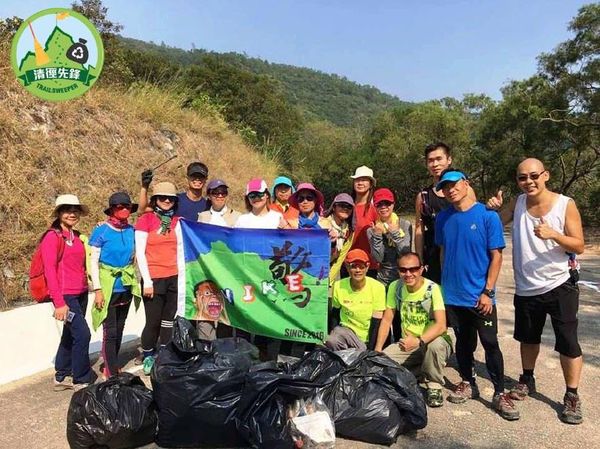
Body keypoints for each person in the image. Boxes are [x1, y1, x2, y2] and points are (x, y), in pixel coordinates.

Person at [486, 158, 585, 424]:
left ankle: (572, 395)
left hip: (559, 284)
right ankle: (526, 378)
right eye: (522, 178)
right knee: (528, 338)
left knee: (568, 341)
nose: (528, 181)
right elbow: (495, 222)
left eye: (533, 176)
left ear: (546, 175)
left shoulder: (565, 204)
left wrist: (554, 234)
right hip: (526, 286)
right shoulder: (518, 203)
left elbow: (578, 245)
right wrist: (490, 208)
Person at [435, 169, 520, 421]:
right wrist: (443, 287)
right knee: (463, 341)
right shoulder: (442, 218)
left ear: (466, 184)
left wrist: (488, 291)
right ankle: (467, 382)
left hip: (479, 295)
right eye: (445, 187)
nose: (450, 190)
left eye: (454, 184)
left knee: (490, 342)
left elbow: (496, 256)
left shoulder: (487, 216)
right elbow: (443, 252)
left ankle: (499, 392)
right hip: (453, 294)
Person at [375, 252, 452, 408]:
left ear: (421, 269)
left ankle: (434, 385)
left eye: (413, 269)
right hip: (408, 343)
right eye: (403, 270)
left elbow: (441, 325)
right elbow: (387, 320)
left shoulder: (433, 289)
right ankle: (421, 370)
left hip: (431, 340)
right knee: (381, 365)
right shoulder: (395, 287)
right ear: (398, 271)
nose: (408, 274)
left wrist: (418, 341)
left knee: (435, 346)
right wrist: (377, 350)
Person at [41, 194, 92, 391]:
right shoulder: (52, 237)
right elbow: (50, 271)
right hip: (65, 296)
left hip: (80, 293)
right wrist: (59, 302)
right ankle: (80, 378)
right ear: (59, 213)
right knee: (83, 334)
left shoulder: (77, 237)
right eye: (67, 210)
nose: (71, 214)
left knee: (70, 334)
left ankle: (61, 375)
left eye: (75, 210)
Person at [89, 192, 141, 379]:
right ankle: (110, 372)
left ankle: (112, 364)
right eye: (119, 207)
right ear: (112, 209)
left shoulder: (131, 230)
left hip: (125, 285)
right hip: (108, 286)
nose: (124, 210)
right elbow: (93, 261)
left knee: (120, 327)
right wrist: (97, 290)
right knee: (109, 332)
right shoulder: (101, 231)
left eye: (127, 206)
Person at [135, 182, 180, 375]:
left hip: (174, 276)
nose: (167, 201)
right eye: (162, 198)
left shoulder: (178, 222)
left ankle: (165, 353)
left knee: (168, 320)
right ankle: (148, 355)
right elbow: (140, 252)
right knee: (153, 321)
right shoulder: (146, 220)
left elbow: (181, 250)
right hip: (153, 278)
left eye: (171, 198)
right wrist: (147, 281)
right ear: (155, 200)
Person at [415, 143, 474, 283]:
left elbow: (473, 220)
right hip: (433, 254)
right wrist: (419, 259)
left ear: (449, 160)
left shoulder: (465, 190)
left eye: (439, 159)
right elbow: (419, 228)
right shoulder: (423, 196)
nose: (435, 164)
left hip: (460, 253)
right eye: (430, 160)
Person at [326, 249, 385, 351]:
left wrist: (370, 350)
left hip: (365, 338)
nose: (358, 270)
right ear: (347, 267)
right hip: (345, 332)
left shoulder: (378, 287)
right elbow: (335, 314)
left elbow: (376, 322)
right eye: (353, 266)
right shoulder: (338, 285)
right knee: (332, 339)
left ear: (367, 267)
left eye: (361, 266)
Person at [367, 188, 412, 287]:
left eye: (387, 203)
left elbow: (405, 254)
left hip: (404, 278)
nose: (384, 207)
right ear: (374, 206)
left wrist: (395, 233)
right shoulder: (371, 230)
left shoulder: (405, 224)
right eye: (379, 204)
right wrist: (377, 235)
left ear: (393, 204)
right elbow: (378, 258)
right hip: (383, 280)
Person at [140, 161, 210, 221]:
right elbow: (142, 210)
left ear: (206, 179)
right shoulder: (174, 200)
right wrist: (144, 187)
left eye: (201, 176)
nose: (197, 179)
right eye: (193, 176)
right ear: (187, 178)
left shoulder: (208, 206)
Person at [349, 166, 379, 277]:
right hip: (348, 263)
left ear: (371, 184)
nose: (360, 182)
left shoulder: (375, 209)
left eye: (364, 179)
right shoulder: (346, 207)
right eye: (357, 179)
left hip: (369, 264)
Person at [324, 193, 355, 285]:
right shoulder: (322, 224)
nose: (345, 208)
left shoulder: (349, 231)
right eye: (341, 205)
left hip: (329, 273)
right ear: (334, 207)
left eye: (349, 207)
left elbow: (340, 258)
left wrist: (329, 281)